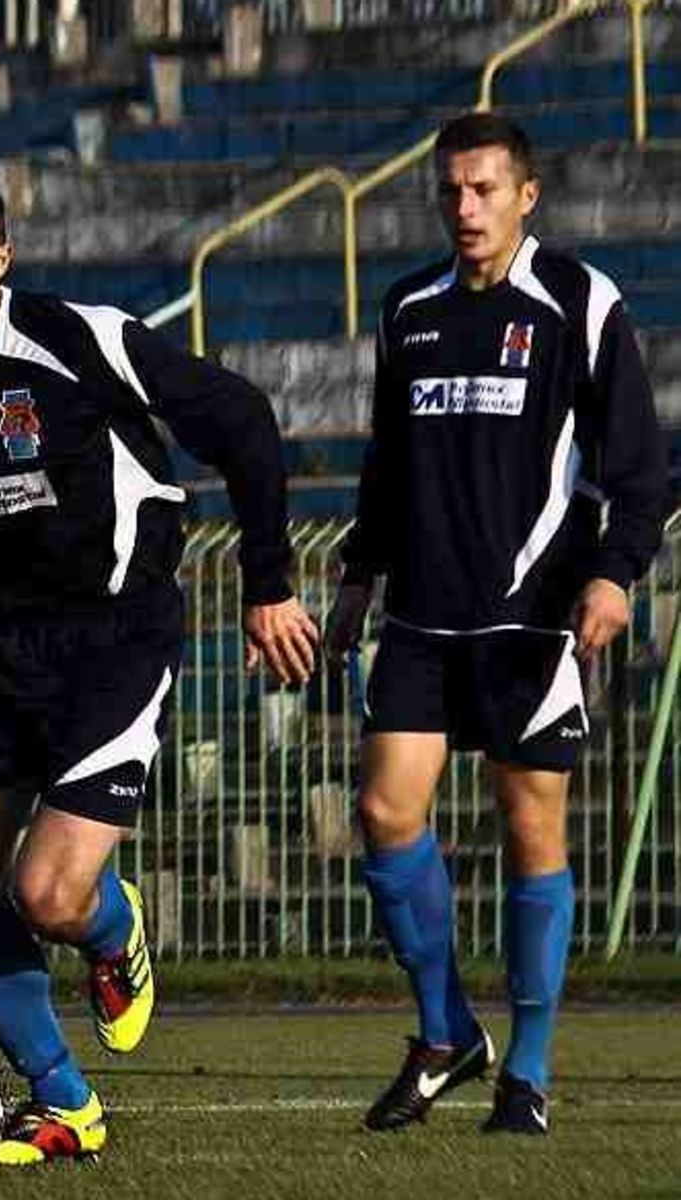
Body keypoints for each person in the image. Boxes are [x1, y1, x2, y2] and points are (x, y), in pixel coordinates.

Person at [0, 168, 318, 1166]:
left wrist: (267, 582)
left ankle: (112, 927)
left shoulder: (82, 339)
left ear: (0, 257)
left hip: (113, 637)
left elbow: (243, 421)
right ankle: (65, 1102)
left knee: (47, 896)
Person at [327, 112, 668, 1137]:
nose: (463, 208)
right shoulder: (407, 309)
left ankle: (525, 1068)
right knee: (386, 813)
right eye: (449, 191)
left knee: (531, 829)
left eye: (483, 190)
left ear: (526, 195)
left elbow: (639, 465)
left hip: (533, 621)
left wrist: (614, 575)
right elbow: (386, 467)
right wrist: (356, 580)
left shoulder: (577, 301)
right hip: (422, 619)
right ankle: (444, 1032)